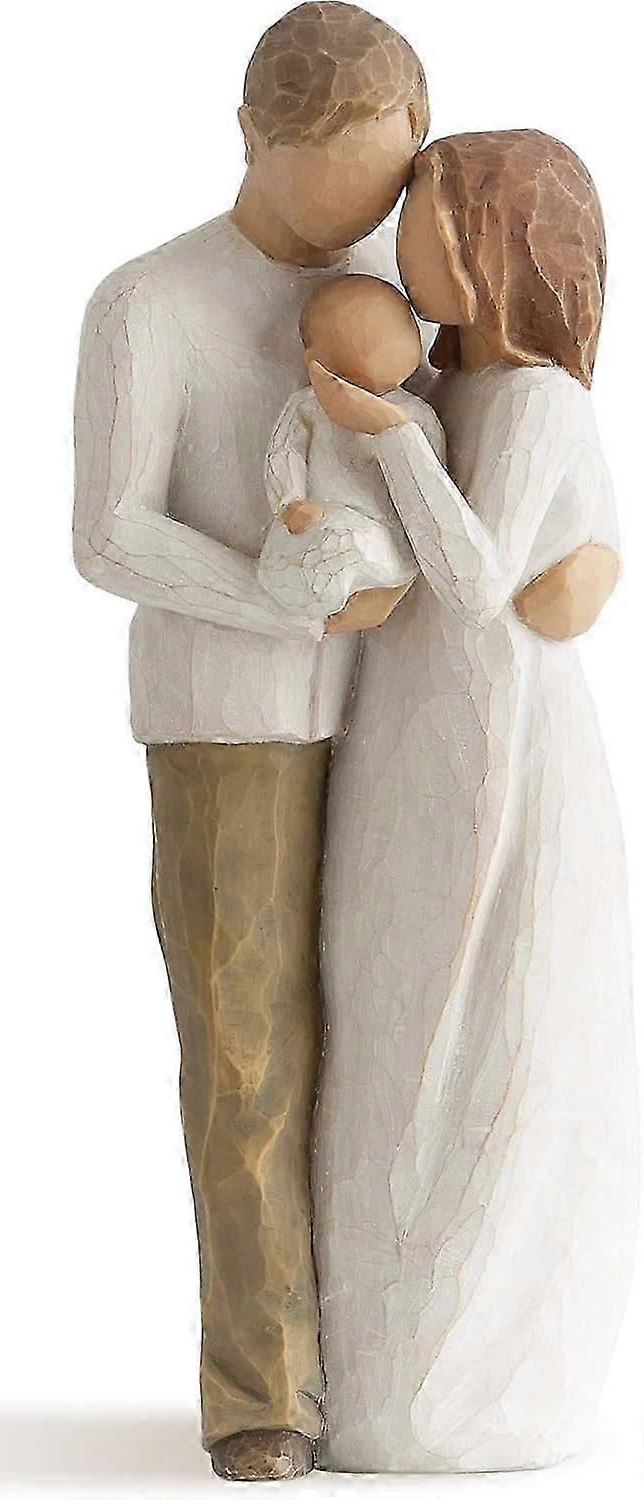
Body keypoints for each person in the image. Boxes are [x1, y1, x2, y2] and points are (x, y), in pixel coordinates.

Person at [72, 3, 431, 1481]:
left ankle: (402, 1365)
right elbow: (107, 532)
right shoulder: (150, 302)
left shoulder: (396, 295)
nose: (362, 219)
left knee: (401, 1028)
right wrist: (275, 598)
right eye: (330, 180)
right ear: (247, 137)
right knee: (247, 1054)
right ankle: (264, 1387)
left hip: (409, 708)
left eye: (384, 181)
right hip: (228, 723)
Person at [310, 130, 638, 1474]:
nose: (403, 246)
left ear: (495, 247)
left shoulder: (541, 405)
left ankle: (471, 1384)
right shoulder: (455, 390)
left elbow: (474, 575)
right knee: (385, 1011)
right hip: (407, 728)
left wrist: (389, 438)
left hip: (500, 745)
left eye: (429, 222)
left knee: (483, 1019)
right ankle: (370, 1372)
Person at [258, 274, 443, 624]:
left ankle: (373, 590)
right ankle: (316, 604)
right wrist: (290, 501)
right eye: (370, 336)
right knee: (294, 559)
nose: (390, 343)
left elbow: (430, 491)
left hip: (382, 537)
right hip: (318, 522)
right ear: (316, 360)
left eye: (401, 329)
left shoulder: (415, 416)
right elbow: (285, 452)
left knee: (343, 547)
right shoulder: (308, 407)